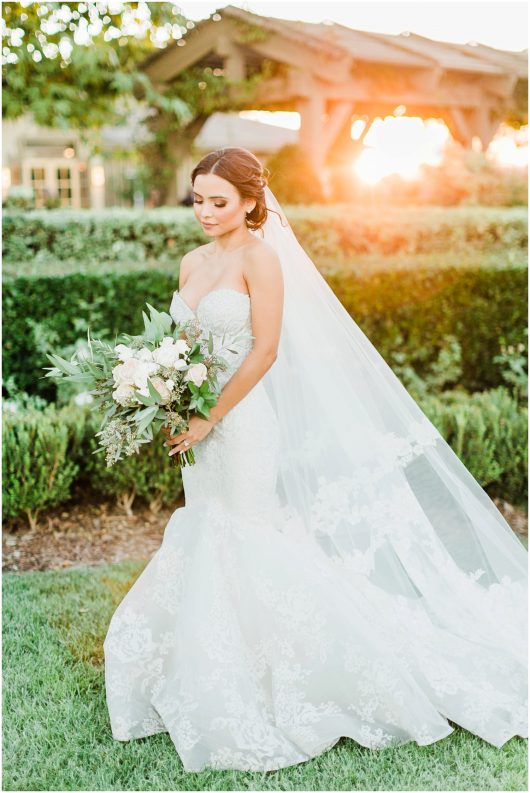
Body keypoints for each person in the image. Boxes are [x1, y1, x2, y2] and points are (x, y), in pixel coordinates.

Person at [104, 147, 528, 772]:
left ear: (252, 202)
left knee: (246, 533)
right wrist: (162, 392)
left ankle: (299, 670)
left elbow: (265, 351)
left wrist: (209, 416)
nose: (205, 212)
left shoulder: (262, 259)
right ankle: (219, 661)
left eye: (219, 201)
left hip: (240, 424)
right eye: (197, 199)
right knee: (209, 530)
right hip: (195, 427)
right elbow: (183, 343)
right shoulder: (192, 260)